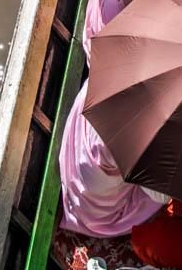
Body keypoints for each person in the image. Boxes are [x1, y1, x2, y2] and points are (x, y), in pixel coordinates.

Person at [59, 83, 169, 238]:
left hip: (76, 156)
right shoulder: (129, 142)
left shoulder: (116, 77)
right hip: (95, 211)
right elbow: (163, 196)